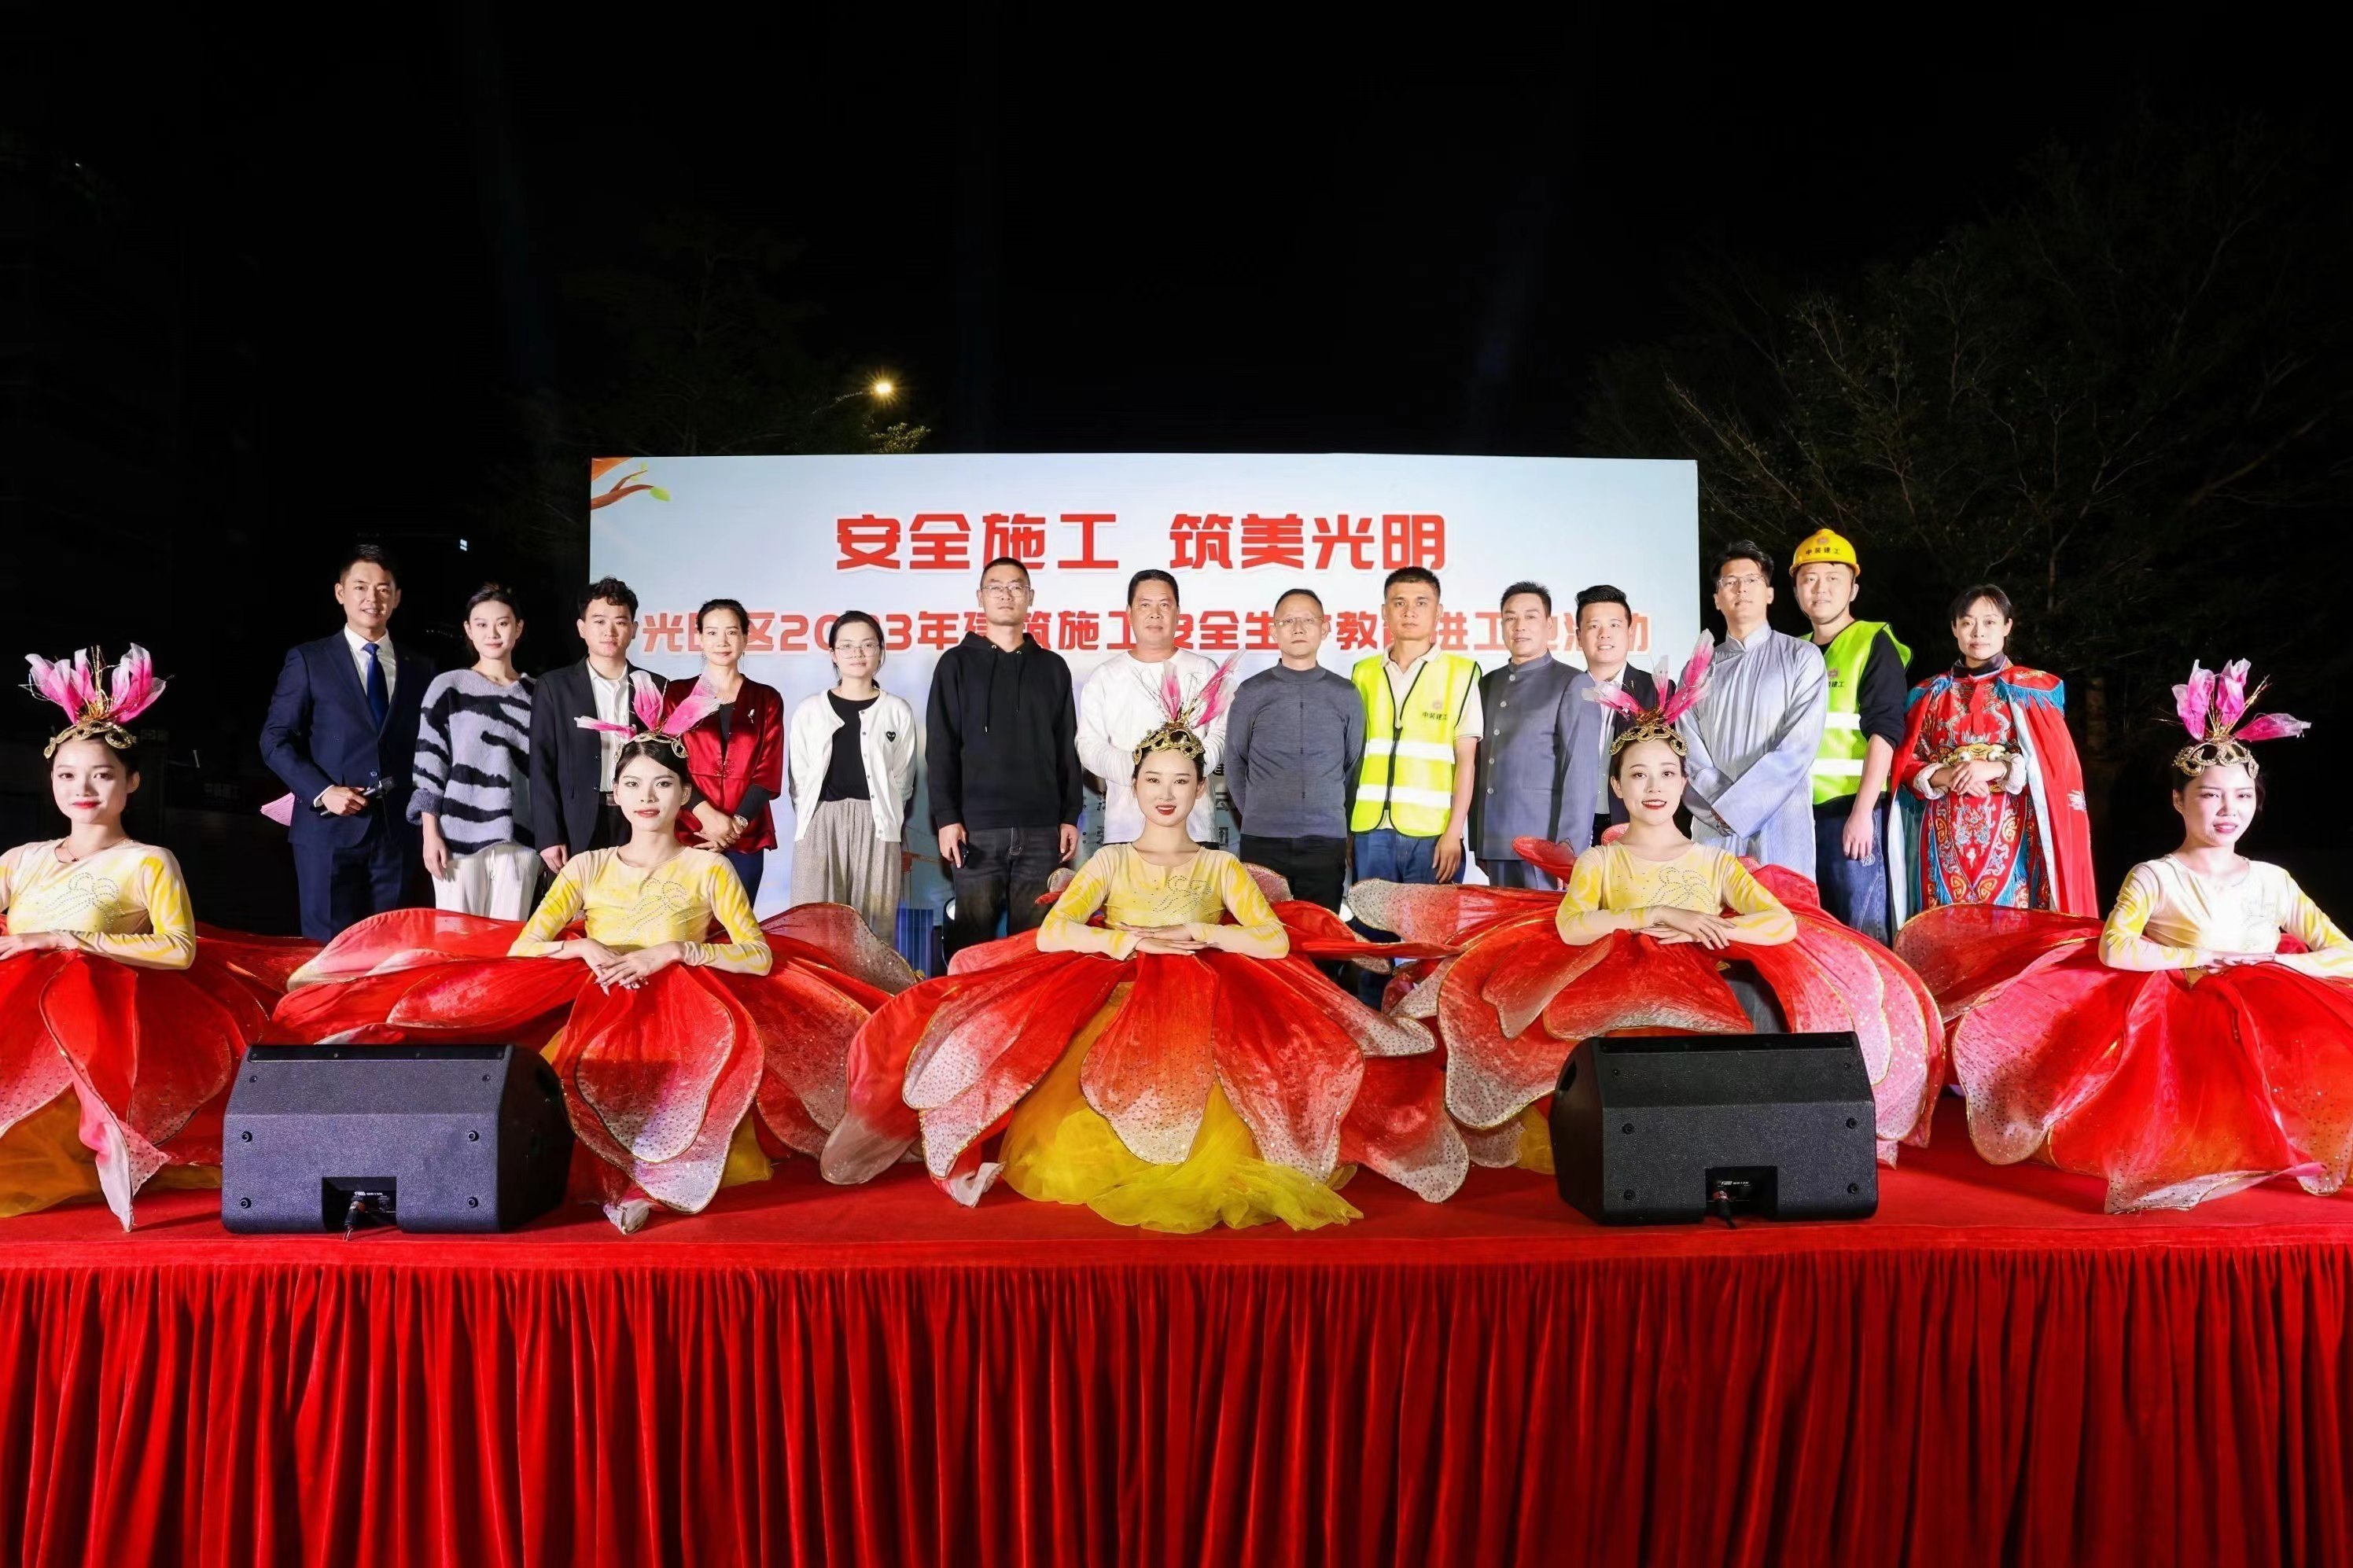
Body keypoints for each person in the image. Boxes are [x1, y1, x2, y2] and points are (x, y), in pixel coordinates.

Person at [275, 673, 918, 1233]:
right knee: (554, 1081)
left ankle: (647, 1186)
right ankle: (609, 1180)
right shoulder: (587, 865)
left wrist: (676, 950)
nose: (647, 796)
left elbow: (756, 957)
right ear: (616, 794)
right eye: (633, 784)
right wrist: (583, 945)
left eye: (662, 784)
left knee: (684, 1087)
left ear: (684, 796)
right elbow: (527, 945)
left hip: (686, 1000)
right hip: (596, 992)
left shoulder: (708, 868)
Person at [820, 678, 1466, 1229]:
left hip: (1209, 988)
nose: (1167, 792)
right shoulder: (1110, 860)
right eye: (1154, 779)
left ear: (1201, 790)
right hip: (1119, 985)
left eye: (1181, 781)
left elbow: (1271, 938)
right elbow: (1054, 931)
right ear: (1132, 785)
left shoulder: (1219, 866)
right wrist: (1124, 941)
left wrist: (1206, 935)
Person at [1350, 642, 1943, 1172]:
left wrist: (1713, 930)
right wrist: (1658, 916)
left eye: (1666, 774)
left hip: (1704, 1004)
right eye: (1637, 774)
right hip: (1617, 1009)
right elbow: (1573, 925)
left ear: (1684, 783)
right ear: (1617, 787)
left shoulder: (1714, 863)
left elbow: (1780, 922)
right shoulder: (1600, 860)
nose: (1653, 787)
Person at [1897, 661, 2344, 1211]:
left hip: (2259, 996)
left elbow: (2342, 952)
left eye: (2243, 797)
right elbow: (2117, 946)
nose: (2230, 811)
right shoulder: (2156, 875)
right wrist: (2202, 956)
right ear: (2179, 801)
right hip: (2183, 999)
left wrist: (2271, 965)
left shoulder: (2273, 880)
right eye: (2211, 796)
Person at [2, 647, 302, 1227]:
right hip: (19, 1014)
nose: (82, 788)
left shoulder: (147, 861)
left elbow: (179, 948)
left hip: (104, 1014)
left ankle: (106, 1138)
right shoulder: (20, 859)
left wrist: (64, 938)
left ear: (132, 781)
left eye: (102, 775)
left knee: (74, 986)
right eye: (67, 775)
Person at [261, 544, 438, 941]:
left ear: (397, 597)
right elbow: (274, 740)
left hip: (397, 833)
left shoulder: (421, 667)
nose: (372, 598)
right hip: (327, 831)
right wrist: (323, 791)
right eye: (361, 587)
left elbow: (430, 750)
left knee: (387, 949)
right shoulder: (309, 659)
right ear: (340, 593)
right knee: (325, 952)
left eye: (383, 589)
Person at [1891, 583, 2096, 918]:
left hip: (2013, 834)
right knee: (1947, 927)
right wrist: (1945, 775)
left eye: (1989, 622)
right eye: (1967, 622)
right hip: (1944, 835)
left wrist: (1997, 768)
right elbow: (1905, 763)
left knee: (2009, 926)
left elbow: (2056, 767)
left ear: (2007, 626)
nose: (1978, 633)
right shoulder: (1929, 694)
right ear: (1954, 628)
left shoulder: (2032, 690)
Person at [926, 557, 1083, 965]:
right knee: (971, 950)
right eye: (995, 587)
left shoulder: (1052, 668)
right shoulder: (955, 665)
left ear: (1030, 597)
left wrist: (1069, 815)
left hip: (1042, 831)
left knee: (1034, 951)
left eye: (1016, 587)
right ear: (980, 597)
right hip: (976, 832)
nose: (1006, 595)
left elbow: (1066, 746)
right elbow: (941, 747)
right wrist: (947, 818)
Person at [1348, 567, 1482, 1001]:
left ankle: (1424, 1031)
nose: (1409, 612)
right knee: (1371, 942)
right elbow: (1352, 758)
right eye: (1399, 603)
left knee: (1429, 945)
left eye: (1421, 603)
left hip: (1432, 834)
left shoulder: (1462, 672)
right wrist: (1350, 830)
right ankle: (1371, 1026)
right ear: (1384, 611)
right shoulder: (1363, 672)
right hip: (1371, 829)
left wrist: (1453, 833)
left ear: (1439, 613)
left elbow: (1467, 761)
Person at [1675, 541, 1827, 879]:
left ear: (1769, 594)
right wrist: (1720, 807)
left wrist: (1737, 807)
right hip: (1715, 825)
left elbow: (1797, 748)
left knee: (1782, 905)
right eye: (1729, 582)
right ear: (1717, 599)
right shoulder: (1698, 670)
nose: (1741, 589)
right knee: (1712, 906)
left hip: (1782, 821)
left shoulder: (1801, 657)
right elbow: (1688, 748)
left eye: (1751, 580)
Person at [1788, 530, 1909, 943]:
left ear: (1853, 588)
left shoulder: (1872, 642)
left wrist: (1862, 814)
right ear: (1796, 591)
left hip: (1852, 814)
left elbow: (1885, 732)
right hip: (1798, 818)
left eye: (1833, 578)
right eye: (1809, 579)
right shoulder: (1794, 650)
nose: (1820, 588)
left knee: (1862, 935)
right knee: (1810, 937)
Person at [1222, 587, 1361, 912]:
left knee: (1319, 932)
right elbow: (1235, 760)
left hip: (1325, 839)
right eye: (1287, 621)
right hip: (1263, 839)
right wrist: (1255, 813)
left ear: (1324, 629)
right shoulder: (1253, 691)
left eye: (1308, 620)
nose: (1298, 628)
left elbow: (1352, 764)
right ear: (1274, 631)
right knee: (1263, 933)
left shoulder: (1345, 694)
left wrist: (1333, 815)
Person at [788, 610, 919, 941]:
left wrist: (886, 817)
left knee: (872, 930)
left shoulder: (897, 710)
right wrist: (814, 820)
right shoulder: (809, 710)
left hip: (878, 825)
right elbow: (798, 779)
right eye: (846, 646)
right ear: (833, 654)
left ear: (880, 650)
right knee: (813, 926)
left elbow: (903, 780)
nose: (857, 653)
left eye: (867, 645)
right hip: (820, 823)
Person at [411, 584, 539, 919]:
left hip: (520, 839)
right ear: (468, 630)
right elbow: (429, 765)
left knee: (510, 942)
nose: (492, 633)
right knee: (456, 939)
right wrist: (430, 834)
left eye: (502, 623)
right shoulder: (448, 686)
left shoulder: (538, 694)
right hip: (457, 837)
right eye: (481, 624)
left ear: (519, 628)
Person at [1077, 569, 1228, 845]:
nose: (1155, 614)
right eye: (1145, 605)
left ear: (1178, 613)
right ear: (1129, 613)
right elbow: (1089, 745)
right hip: (1126, 830)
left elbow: (1223, 733)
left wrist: (1186, 771)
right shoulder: (1106, 676)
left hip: (1194, 830)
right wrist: (1142, 773)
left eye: (1164, 605)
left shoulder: (1204, 669)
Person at [664, 598, 786, 904]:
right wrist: (706, 816)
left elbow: (768, 771)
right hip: (689, 831)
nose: (722, 641)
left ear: (745, 638)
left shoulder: (767, 698)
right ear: (700, 638)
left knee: (737, 926)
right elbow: (666, 763)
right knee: (684, 924)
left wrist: (735, 826)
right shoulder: (677, 694)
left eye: (731, 632)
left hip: (745, 835)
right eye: (712, 632)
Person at [528, 577, 650, 874]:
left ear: (634, 629)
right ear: (582, 628)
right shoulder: (554, 687)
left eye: (620, 622)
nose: (610, 631)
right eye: (599, 621)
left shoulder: (652, 685)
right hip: (576, 824)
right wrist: (548, 835)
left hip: (638, 821)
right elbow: (541, 764)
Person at [1558, 585, 1659, 857]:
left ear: (1630, 633)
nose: (1604, 634)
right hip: (1575, 832)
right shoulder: (1564, 694)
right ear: (1579, 637)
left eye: (1614, 625)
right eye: (1593, 626)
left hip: (1635, 828)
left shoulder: (1656, 691)